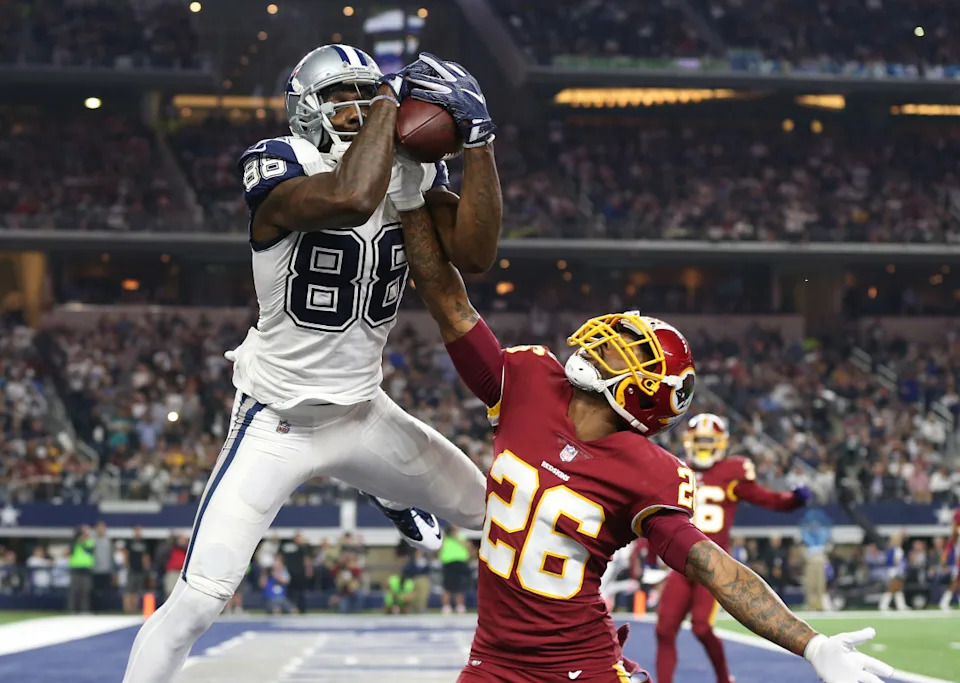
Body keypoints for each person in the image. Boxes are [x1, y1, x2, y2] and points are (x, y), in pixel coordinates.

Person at [122, 47, 501, 683]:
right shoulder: (277, 164)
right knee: (198, 603)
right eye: (343, 97)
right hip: (279, 421)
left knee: (494, 516)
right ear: (305, 109)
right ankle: (379, 483)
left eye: (368, 95)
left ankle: (561, 656)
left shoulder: (407, 174)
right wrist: (389, 99)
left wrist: (480, 143)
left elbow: (478, 252)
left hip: (364, 411)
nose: (359, 108)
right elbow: (352, 198)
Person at [397, 199, 894, 683]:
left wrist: (811, 645)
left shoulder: (646, 470)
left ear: (640, 393)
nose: (606, 342)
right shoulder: (528, 380)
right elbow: (447, 299)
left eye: (627, 351)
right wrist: (407, 197)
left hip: (583, 670)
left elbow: (714, 567)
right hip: (493, 662)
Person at [656, 413, 812, 683]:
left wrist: (792, 501)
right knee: (664, 629)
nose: (704, 446)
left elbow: (767, 499)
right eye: (699, 440)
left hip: (712, 564)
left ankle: (723, 679)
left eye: (708, 440)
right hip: (681, 562)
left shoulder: (732, 471)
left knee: (702, 628)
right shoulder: (678, 468)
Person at [440, 524, 473, 614]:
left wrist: (456, 538)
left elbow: (468, 547)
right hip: (448, 563)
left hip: (460, 562)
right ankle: (446, 606)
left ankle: (460, 605)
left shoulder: (461, 536)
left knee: (460, 585)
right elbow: (439, 549)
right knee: (447, 585)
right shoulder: (444, 538)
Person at [123, 526, 151, 614]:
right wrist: (127, 565)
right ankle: (127, 609)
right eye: (136, 531)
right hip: (131, 568)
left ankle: (134, 608)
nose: (138, 533)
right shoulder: (129, 542)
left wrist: (146, 565)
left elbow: (145, 556)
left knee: (137, 591)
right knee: (129, 590)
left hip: (140, 569)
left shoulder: (143, 543)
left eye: (139, 531)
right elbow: (125, 554)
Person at [938, 505, 959, 610]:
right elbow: (948, 549)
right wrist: (944, 559)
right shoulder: (954, 539)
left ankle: (945, 602)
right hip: (958, 563)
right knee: (956, 582)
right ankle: (944, 602)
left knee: (957, 582)